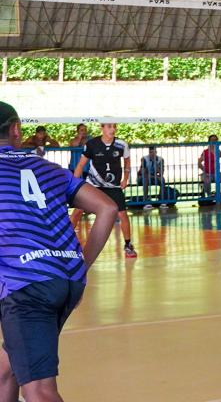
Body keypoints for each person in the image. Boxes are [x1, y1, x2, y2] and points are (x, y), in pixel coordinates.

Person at [0, 101, 118, 402]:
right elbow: (107, 207)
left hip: (26, 286)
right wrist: (82, 266)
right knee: (7, 367)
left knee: (39, 390)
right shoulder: (46, 167)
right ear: (15, 130)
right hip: (65, 280)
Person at [70, 123, 137, 258]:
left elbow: (127, 162)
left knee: (122, 214)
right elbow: (81, 165)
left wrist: (126, 178)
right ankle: (65, 241)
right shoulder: (92, 144)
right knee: (77, 210)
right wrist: (74, 184)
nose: (112, 129)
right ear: (102, 128)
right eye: (109, 127)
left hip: (112, 186)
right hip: (94, 184)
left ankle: (128, 245)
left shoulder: (121, 144)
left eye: (114, 127)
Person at [199, 135, 221, 203]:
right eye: (212, 140)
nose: (214, 141)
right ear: (209, 141)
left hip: (216, 173)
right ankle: (209, 197)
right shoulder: (205, 152)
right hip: (207, 174)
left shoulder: (218, 151)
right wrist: (205, 171)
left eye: (215, 140)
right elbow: (199, 162)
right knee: (207, 181)